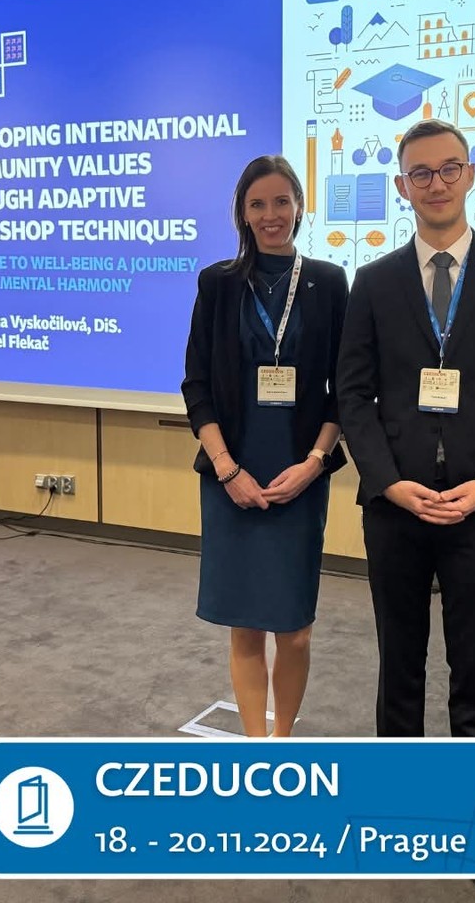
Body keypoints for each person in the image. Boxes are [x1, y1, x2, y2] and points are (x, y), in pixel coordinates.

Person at [337, 119, 475, 742]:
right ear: (402, 186)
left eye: (449, 168)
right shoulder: (374, 281)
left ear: (471, 174)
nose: (437, 183)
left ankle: (470, 784)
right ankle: (402, 785)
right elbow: (353, 394)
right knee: (398, 666)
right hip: (396, 505)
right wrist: (385, 481)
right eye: (421, 173)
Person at [181, 155, 349, 738]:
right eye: (257, 204)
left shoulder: (329, 282)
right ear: (242, 213)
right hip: (233, 473)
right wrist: (228, 470)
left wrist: (315, 464)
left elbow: (345, 389)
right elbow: (196, 386)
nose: (270, 214)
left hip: (299, 474)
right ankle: (258, 747)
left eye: (281, 201)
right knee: (245, 625)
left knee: (294, 629)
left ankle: (283, 740)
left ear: (299, 206)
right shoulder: (219, 283)